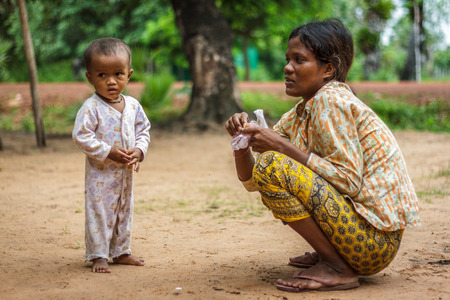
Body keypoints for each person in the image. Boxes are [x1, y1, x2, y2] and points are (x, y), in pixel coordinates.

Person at [225, 19, 420, 293]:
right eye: (288, 59)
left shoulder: (332, 100)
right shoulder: (302, 111)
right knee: (272, 166)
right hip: (359, 239)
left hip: (374, 243)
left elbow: (348, 181)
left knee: (274, 163)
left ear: (328, 69)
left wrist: (278, 146)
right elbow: (252, 180)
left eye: (299, 60)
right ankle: (333, 256)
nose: (287, 67)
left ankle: (337, 267)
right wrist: (241, 142)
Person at [73, 38, 151, 273]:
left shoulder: (133, 105)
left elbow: (143, 130)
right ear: (90, 78)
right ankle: (99, 256)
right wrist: (108, 152)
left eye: (118, 74)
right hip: (101, 176)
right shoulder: (91, 107)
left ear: (129, 74)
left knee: (124, 211)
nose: (111, 81)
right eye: (102, 75)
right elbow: (81, 136)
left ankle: (122, 251)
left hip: (125, 174)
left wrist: (139, 150)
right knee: (100, 212)